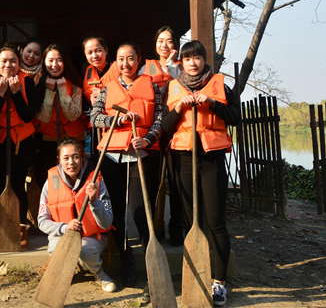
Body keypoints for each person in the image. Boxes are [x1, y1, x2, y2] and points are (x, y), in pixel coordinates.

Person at [161, 40, 241, 306]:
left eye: (197, 58)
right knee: (190, 220)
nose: (192, 63)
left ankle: (219, 282)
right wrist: (178, 108)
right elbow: (166, 127)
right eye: (187, 59)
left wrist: (212, 103)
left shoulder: (221, 85)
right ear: (181, 63)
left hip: (211, 160)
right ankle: (197, 275)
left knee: (215, 222)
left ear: (205, 60)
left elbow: (235, 117)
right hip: (183, 159)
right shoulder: (173, 87)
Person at [90, 42, 162, 299]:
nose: (125, 64)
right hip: (111, 157)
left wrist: (148, 139)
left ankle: (153, 268)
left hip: (140, 156)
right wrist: (116, 120)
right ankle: (127, 262)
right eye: (121, 59)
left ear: (139, 60)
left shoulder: (152, 86)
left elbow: (159, 119)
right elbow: (94, 117)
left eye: (130, 58)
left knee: (140, 212)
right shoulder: (107, 88)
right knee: (117, 213)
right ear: (116, 62)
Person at [38, 137, 116, 293]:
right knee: (56, 246)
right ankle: (64, 271)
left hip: (91, 238)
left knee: (84, 250)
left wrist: (94, 202)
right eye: (66, 158)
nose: (71, 162)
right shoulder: (51, 182)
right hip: (62, 235)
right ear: (59, 160)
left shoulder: (96, 181)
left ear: (82, 157)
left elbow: (107, 222)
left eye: (75, 157)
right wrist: (64, 227)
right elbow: (42, 221)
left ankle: (97, 272)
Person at [0, 43, 37, 250]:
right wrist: (0, 94)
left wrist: (16, 92)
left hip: (22, 141)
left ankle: (21, 227)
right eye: (4, 61)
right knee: (3, 185)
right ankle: (5, 225)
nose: (8, 65)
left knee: (18, 183)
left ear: (19, 64)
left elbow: (28, 115)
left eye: (13, 61)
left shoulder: (27, 82)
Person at [140, 26, 185, 246]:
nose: (164, 45)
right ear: (155, 44)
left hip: (177, 129)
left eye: (169, 41)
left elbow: (183, 87)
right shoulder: (145, 68)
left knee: (176, 182)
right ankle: (153, 230)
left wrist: (171, 66)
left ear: (175, 45)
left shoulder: (183, 67)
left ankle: (176, 229)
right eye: (160, 41)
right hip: (154, 129)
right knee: (153, 183)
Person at [35, 44, 88, 179]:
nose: (55, 65)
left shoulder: (75, 81)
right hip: (49, 136)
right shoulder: (38, 82)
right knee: (50, 174)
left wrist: (63, 90)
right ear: (44, 62)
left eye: (59, 60)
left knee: (77, 174)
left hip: (75, 135)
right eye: (50, 60)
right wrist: (49, 91)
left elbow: (73, 115)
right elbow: (44, 117)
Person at [81, 35, 120, 156]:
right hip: (95, 124)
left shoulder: (118, 68)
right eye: (89, 53)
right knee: (96, 158)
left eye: (98, 51)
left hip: (115, 122)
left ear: (106, 51)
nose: (94, 56)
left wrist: (104, 95)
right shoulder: (87, 71)